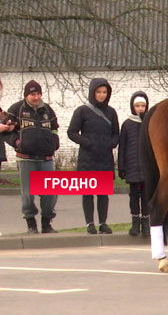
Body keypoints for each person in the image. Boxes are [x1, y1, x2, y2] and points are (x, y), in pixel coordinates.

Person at [3, 80, 60, 234]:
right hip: (26, 158)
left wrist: (54, 143)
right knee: (28, 194)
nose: (36, 97)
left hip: (46, 158)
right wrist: (17, 142)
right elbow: (5, 130)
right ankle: (31, 224)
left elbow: (55, 129)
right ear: (26, 95)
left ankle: (47, 223)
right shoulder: (17, 109)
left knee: (50, 194)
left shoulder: (48, 110)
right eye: (33, 94)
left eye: (38, 94)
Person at [68, 78, 119, 235]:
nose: (102, 95)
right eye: (99, 92)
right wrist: (87, 143)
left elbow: (116, 134)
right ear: (92, 92)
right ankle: (90, 223)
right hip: (87, 158)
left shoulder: (111, 112)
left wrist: (110, 143)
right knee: (88, 193)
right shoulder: (82, 111)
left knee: (103, 193)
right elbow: (72, 132)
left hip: (105, 157)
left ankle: (103, 222)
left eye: (104, 92)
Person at [117, 91, 150, 237]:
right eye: (137, 106)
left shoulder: (150, 122)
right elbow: (122, 147)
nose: (140, 109)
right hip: (132, 167)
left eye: (143, 106)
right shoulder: (127, 124)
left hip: (147, 168)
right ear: (132, 106)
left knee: (147, 196)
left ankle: (146, 224)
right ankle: (135, 223)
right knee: (134, 196)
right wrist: (122, 167)